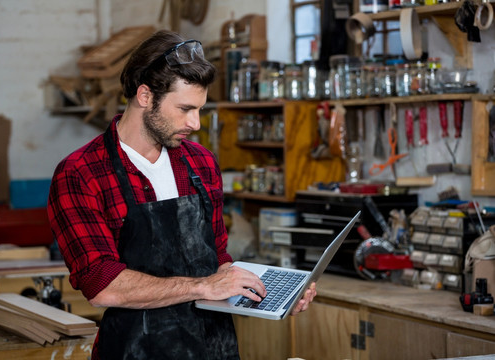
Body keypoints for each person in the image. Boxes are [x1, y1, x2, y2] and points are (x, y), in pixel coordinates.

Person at [47, 30, 317, 360]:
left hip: (213, 346)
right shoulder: (81, 172)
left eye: (200, 109)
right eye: (185, 108)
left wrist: (265, 296)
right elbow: (102, 284)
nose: (196, 123)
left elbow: (217, 259)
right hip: (136, 350)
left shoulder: (199, 162)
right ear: (145, 96)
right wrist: (200, 287)